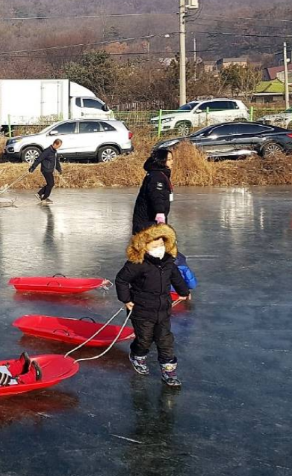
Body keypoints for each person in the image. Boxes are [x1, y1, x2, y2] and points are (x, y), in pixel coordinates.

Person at [115, 224, 190, 387]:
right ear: (144, 246)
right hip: (141, 310)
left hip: (163, 310)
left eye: (162, 245)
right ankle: (137, 355)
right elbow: (121, 280)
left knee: (165, 341)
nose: (159, 249)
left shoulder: (169, 262)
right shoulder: (138, 263)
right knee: (144, 339)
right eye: (155, 246)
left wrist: (184, 291)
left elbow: (176, 278)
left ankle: (169, 371)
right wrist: (126, 299)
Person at [132, 148, 173, 234]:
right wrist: (160, 213)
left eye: (172, 159)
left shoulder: (160, 174)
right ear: (161, 160)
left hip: (152, 222)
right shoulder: (156, 177)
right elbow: (156, 196)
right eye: (169, 159)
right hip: (148, 223)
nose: (172, 162)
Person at [28, 139, 62, 203]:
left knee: (50, 184)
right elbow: (39, 159)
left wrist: (59, 169)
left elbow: (56, 161)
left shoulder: (54, 152)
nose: (59, 147)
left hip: (50, 170)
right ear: (55, 144)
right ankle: (44, 198)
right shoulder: (47, 151)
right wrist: (33, 167)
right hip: (46, 169)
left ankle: (40, 194)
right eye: (58, 146)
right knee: (51, 184)